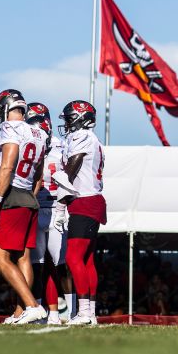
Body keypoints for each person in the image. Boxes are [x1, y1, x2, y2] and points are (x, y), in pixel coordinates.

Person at [0, 89, 49, 325]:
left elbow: (7, 167)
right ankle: (19, 312)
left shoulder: (11, 128)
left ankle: (32, 305)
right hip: (29, 198)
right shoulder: (40, 132)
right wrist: (29, 198)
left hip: (12, 195)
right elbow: (39, 177)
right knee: (23, 256)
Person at [25, 102, 76, 325]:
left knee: (60, 263)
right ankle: (41, 311)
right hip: (37, 208)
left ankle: (74, 312)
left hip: (57, 208)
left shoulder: (61, 146)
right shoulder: (29, 143)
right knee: (37, 263)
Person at [60, 100, 107, 325]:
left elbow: (74, 163)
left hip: (85, 200)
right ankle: (90, 312)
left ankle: (85, 312)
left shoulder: (84, 137)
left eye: (69, 118)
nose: (67, 123)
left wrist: (61, 191)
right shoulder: (91, 139)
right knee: (87, 259)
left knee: (73, 257)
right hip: (90, 199)